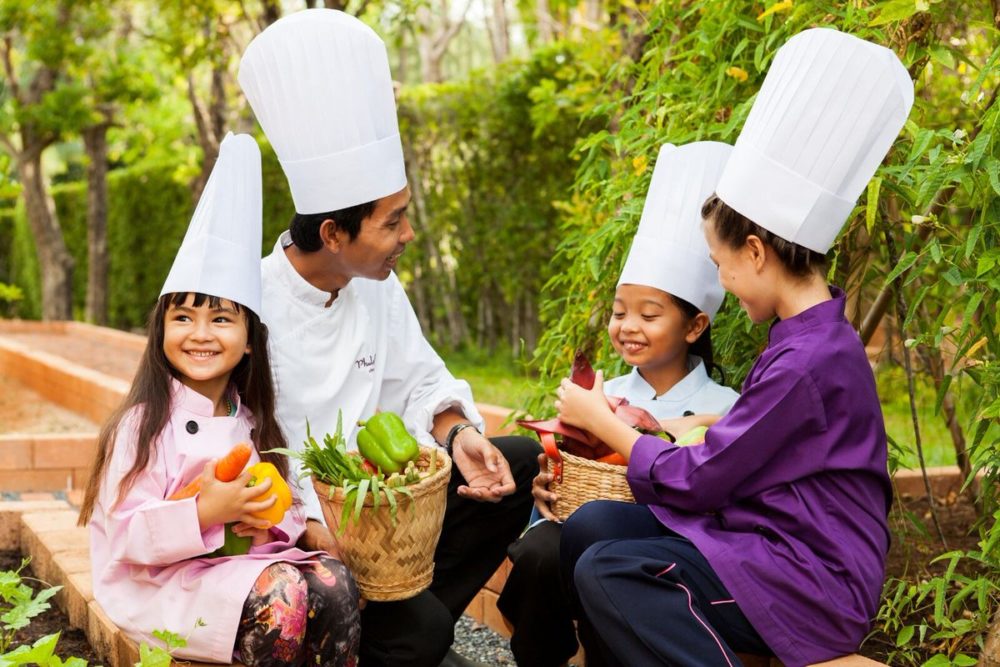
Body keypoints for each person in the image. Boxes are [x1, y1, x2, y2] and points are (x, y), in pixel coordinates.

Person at [553, 28, 913, 666]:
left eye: (720, 265)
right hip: (765, 541)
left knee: (609, 572)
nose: (719, 283)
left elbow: (699, 479)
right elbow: (757, 440)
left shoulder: (809, 357)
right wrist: (690, 423)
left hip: (808, 579)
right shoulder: (810, 337)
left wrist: (602, 421)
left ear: (755, 251)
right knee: (589, 530)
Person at [237, 10, 539, 667]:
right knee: (424, 634)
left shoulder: (376, 281)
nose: (408, 236)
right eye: (393, 221)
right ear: (334, 234)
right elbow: (241, 465)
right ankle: (405, 633)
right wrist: (319, 529)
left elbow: (422, 382)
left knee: (514, 462)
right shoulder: (249, 309)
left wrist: (461, 435)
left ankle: (405, 623)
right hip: (312, 541)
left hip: (398, 521)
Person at [78, 133, 361, 666]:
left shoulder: (251, 421)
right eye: (182, 316)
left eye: (221, 319)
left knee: (334, 581)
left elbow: (284, 506)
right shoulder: (141, 425)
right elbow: (127, 536)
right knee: (283, 591)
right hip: (162, 584)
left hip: (236, 567)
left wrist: (282, 522)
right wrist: (207, 509)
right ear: (160, 328)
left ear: (249, 338)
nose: (200, 333)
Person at [497, 141, 741, 667]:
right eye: (619, 311)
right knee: (541, 550)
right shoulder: (601, 396)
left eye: (649, 315)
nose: (627, 326)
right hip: (576, 539)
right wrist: (547, 489)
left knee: (614, 567)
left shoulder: (727, 406)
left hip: (662, 551)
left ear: (695, 324)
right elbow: (562, 481)